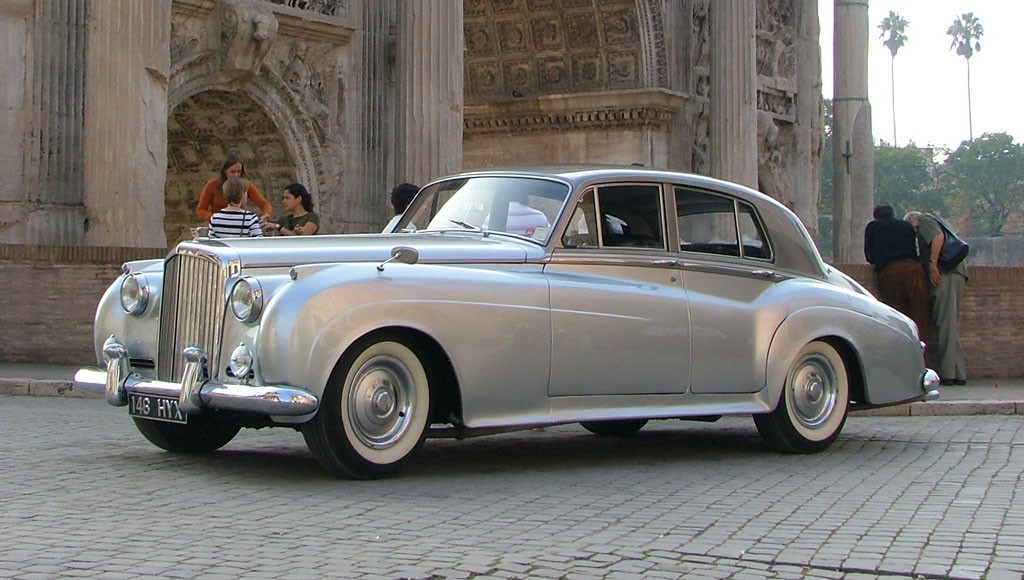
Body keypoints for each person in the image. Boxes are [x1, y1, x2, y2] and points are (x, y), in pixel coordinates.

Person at [905, 211, 968, 385]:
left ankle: (949, 373)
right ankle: (957, 372)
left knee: (945, 324)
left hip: (945, 274)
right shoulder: (937, 219)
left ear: (912, 219)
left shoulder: (924, 220)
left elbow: (938, 237)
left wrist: (932, 265)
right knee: (949, 325)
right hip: (955, 273)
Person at [863, 203, 930, 345]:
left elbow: (869, 256)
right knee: (920, 316)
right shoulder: (906, 226)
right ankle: (922, 356)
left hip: (890, 272)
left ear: (876, 216)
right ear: (893, 214)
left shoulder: (873, 227)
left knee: (896, 316)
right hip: (914, 270)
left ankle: (900, 353)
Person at [197, 154, 273, 222]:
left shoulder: (245, 184)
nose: (236, 175)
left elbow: (264, 204)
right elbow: (201, 209)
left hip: (239, 223)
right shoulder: (213, 185)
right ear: (224, 171)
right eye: (232, 172)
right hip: (219, 225)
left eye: (238, 172)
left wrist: (265, 215)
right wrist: (215, 218)